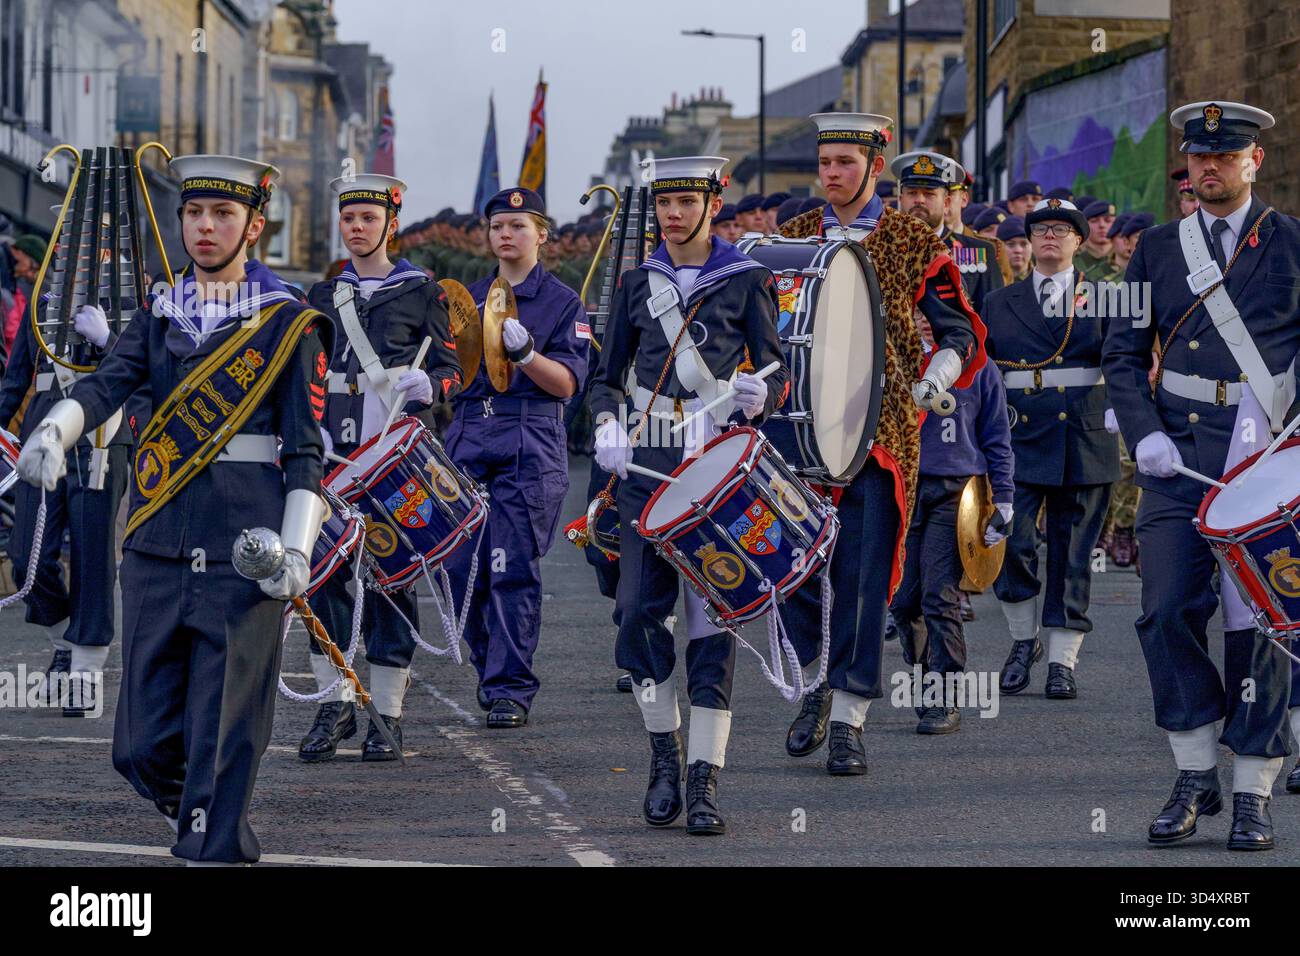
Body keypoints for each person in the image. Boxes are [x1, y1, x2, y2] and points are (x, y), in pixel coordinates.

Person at [15, 154, 333, 865]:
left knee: (223, 734)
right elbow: (107, 385)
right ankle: (197, 812)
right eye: (194, 213)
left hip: (242, 553)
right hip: (156, 547)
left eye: (223, 215)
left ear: (254, 225)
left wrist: (298, 551)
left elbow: (306, 451)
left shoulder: (287, 323)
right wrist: (55, 429)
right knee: (138, 745)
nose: (206, 227)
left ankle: (210, 836)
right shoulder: (160, 310)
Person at [1103, 100, 1300, 851]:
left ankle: (1252, 788)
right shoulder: (1152, 249)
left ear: (1254, 162)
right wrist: (1143, 428)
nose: (1208, 167)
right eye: (1198, 157)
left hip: (1265, 457)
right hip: (1175, 455)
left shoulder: (1291, 244)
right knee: (1163, 610)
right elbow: (1120, 351)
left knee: (1264, 627)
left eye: (1225, 156)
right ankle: (1193, 772)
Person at [772, 116, 985, 776]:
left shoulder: (912, 242)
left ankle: (849, 717)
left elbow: (962, 334)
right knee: (794, 574)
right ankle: (815, 684)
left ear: (873, 164)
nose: (831, 173)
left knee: (865, 582)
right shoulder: (793, 238)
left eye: (844, 161)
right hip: (800, 431)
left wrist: (936, 375)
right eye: (824, 161)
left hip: (882, 430)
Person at [590, 156, 789, 834]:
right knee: (638, 618)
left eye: (685, 201)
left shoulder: (746, 280)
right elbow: (604, 375)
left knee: (712, 627)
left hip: (716, 468)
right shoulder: (636, 282)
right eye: (664, 202)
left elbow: (775, 367)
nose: (673, 214)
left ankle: (704, 779)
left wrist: (764, 395)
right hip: (645, 468)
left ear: (713, 203)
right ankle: (662, 756)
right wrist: (607, 420)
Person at [296, 173, 463, 762]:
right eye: (349, 220)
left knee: (392, 577)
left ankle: (387, 714)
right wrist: (304, 421)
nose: (358, 229)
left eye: (369, 219)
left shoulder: (422, 292)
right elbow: (304, 370)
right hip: (332, 452)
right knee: (323, 579)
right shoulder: (320, 296)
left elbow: (452, 373)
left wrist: (430, 384)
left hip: (390, 453)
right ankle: (333, 703)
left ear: (391, 224)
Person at [443, 187, 589, 730]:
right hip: (469, 432)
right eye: (498, 226)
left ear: (541, 234)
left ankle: (509, 687)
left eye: (518, 226)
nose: (506, 235)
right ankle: (490, 666)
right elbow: (451, 373)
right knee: (459, 566)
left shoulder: (562, 302)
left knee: (510, 567)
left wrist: (527, 354)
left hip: (529, 432)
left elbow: (568, 383)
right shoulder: (468, 297)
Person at [984, 199, 1119, 700]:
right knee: (1013, 543)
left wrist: (1124, 409)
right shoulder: (1001, 302)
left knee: (1074, 554)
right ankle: (1024, 642)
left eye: (1061, 230)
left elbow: (1125, 359)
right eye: (1039, 229)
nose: (1048, 237)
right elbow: (984, 371)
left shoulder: (1106, 297)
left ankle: (1063, 659)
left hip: (1084, 434)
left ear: (1078, 242)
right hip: (1018, 436)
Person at [890, 318, 1014, 734]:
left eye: (937, 309)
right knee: (903, 601)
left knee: (939, 596)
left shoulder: (980, 367)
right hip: (903, 489)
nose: (926, 317)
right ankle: (925, 670)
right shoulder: (897, 362)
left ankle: (945, 693)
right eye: (919, 308)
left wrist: (1005, 499)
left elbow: (996, 436)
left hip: (955, 492)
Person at [892, 150, 1005, 317]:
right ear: (900, 200)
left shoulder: (980, 251)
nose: (919, 200)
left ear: (946, 203)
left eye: (929, 194)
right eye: (912, 192)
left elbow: (995, 318)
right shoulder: (882, 249)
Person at [1075, 200, 1119, 283]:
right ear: (1085, 226)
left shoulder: (1124, 260)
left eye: (1108, 220)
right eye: (1094, 221)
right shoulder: (1073, 262)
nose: (1102, 225)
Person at [997, 215, 1032, 282]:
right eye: (1011, 244)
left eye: (1024, 244)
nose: (1018, 250)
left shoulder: (1043, 278)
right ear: (1000, 247)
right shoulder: (991, 281)